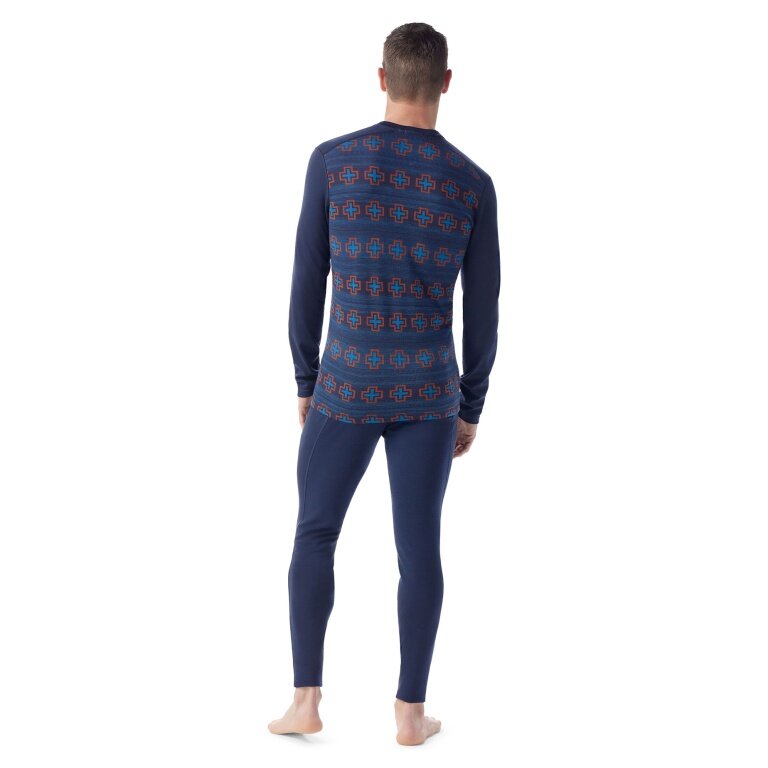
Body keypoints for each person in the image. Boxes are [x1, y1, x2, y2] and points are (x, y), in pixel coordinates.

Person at [268, 22, 501, 746]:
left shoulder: (332, 162)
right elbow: (484, 309)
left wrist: (306, 377)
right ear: (446, 84)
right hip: (429, 394)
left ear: (381, 78)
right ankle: (409, 713)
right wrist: (471, 404)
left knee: (315, 532)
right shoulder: (471, 184)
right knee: (419, 548)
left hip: (344, 382)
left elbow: (307, 279)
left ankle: (306, 701)